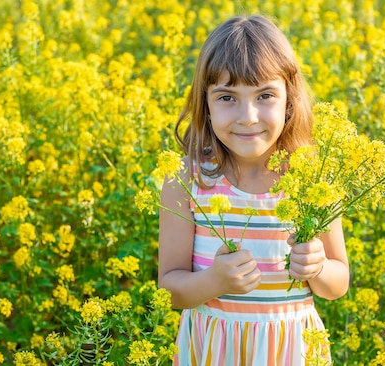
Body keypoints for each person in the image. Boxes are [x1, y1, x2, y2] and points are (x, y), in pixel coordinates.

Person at [158, 14, 349, 365]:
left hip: (290, 349)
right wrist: (214, 281)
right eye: (227, 97)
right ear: (206, 103)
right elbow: (170, 289)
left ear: (289, 99)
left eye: (265, 96)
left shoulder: (312, 178)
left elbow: (338, 284)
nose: (248, 116)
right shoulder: (186, 180)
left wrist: (318, 268)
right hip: (214, 349)